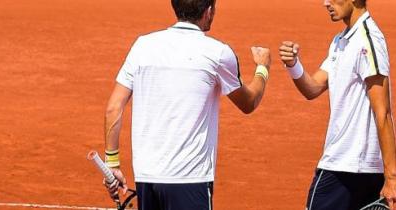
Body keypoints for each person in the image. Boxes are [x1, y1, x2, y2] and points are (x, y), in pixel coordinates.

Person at [101, 0, 271, 209]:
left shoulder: (142, 45)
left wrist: (112, 163)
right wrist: (262, 68)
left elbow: (113, 108)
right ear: (209, 11)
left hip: (147, 177)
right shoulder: (217, 52)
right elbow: (249, 102)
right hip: (190, 179)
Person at [278, 0, 396, 209]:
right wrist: (293, 65)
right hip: (345, 164)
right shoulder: (341, 41)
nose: (325, 3)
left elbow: (382, 111)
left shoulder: (368, 40)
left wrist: (391, 176)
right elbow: (312, 88)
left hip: (349, 167)